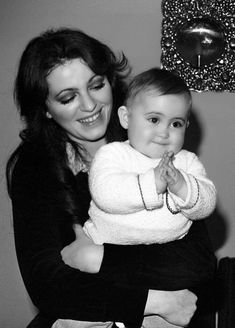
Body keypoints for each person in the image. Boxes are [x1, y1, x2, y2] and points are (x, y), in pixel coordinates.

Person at [6, 27, 210, 328]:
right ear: (46, 109)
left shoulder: (151, 136)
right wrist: (155, 301)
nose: (89, 106)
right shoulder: (35, 168)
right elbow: (47, 285)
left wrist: (97, 257)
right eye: (67, 97)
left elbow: (197, 264)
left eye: (96, 85)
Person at [64, 68, 217, 328]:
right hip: (104, 260)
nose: (164, 132)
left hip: (162, 272)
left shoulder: (186, 162)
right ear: (126, 117)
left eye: (176, 123)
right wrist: (152, 184)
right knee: (76, 319)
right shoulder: (114, 155)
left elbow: (206, 203)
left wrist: (181, 186)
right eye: (154, 119)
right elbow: (105, 193)